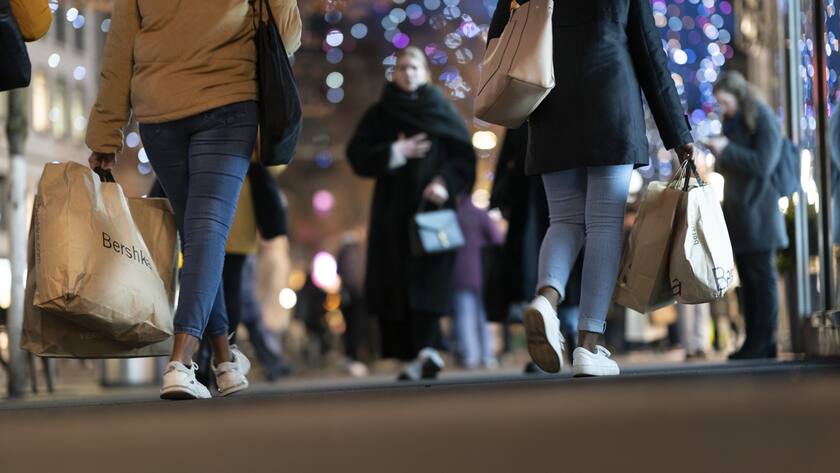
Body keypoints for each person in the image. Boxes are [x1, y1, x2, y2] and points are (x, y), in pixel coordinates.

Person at [85, 0, 302, 399]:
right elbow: (287, 36)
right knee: (207, 230)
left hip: (159, 115)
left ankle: (223, 361)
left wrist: (105, 132)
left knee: (199, 233)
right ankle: (181, 362)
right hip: (228, 105)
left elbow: (119, 51)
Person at [489, 0, 695, 377]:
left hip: (548, 101)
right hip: (609, 96)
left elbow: (499, 37)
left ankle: (546, 301)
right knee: (603, 223)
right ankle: (589, 345)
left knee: (563, 219)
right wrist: (678, 134)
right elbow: (648, 49)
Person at [347, 46, 476, 381]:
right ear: (394, 73)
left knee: (430, 279)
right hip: (392, 217)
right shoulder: (380, 113)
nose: (409, 73)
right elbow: (357, 155)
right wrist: (395, 151)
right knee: (398, 283)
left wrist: (444, 182)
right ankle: (415, 355)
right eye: (403, 67)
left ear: (425, 73)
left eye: (415, 67)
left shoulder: (441, 110)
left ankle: (428, 348)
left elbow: (463, 158)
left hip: (434, 214)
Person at [706, 71, 788, 360]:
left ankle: (765, 341)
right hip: (741, 213)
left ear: (737, 95)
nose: (722, 107)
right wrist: (720, 152)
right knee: (749, 284)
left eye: (724, 101)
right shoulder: (733, 120)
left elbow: (763, 164)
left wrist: (727, 149)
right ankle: (753, 341)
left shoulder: (761, 117)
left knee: (761, 280)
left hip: (760, 213)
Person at [451, 194, 504, 369]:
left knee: (463, 316)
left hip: (457, 272)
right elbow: (497, 237)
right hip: (482, 270)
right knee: (484, 316)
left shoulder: (451, 214)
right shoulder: (480, 213)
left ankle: (470, 356)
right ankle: (487, 356)